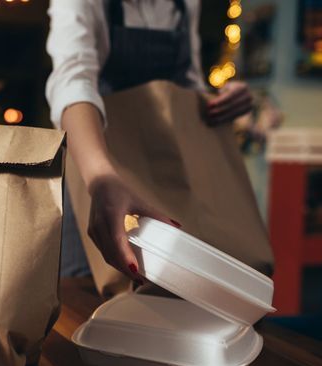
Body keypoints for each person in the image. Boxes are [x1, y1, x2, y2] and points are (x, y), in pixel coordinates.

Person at [45, 0, 254, 282]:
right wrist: (101, 177)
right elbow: (72, 78)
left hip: (161, 178)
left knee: (167, 300)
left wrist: (219, 100)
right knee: (85, 299)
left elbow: (185, 84)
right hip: (95, 175)